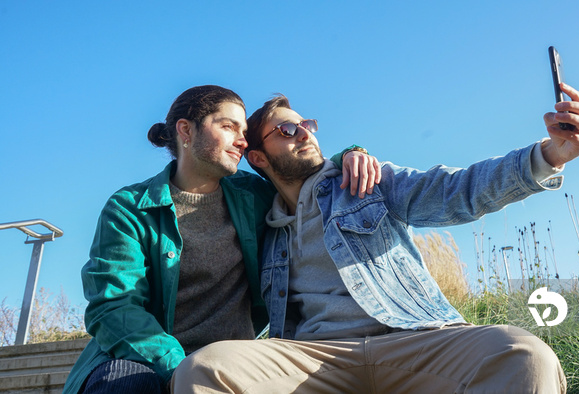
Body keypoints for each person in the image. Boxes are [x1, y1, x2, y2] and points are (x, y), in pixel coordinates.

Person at [170, 83, 579, 393]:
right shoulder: (257, 219)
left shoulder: (366, 180)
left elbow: (457, 191)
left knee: (524, 355)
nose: (305, 134)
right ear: (258, 158)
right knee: (206, 370)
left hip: (412, 341)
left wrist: (548, 156)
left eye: (307, 125)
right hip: (315, 359)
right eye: (286, 131)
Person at [63, 85, 380, 394]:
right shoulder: (130, 207)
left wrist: (350, 154)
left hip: (234, 362)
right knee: (130, 383)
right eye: (229, 127)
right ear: (186, 131)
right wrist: (182, 368)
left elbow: (301, 172)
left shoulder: (255, 195)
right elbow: (113, 306)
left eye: (243, 131)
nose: (242, 141)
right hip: (139, 359)